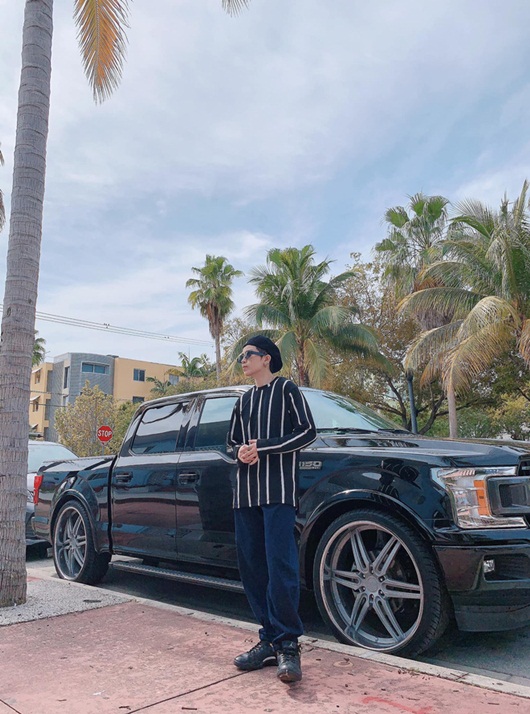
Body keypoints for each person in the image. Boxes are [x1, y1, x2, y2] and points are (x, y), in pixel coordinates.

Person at [228, 335, 316, 684]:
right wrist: (240, 452)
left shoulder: (287, 390)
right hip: (245, 494)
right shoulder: (243, 400)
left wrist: (263, 448)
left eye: (248, 355)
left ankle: (288, 644)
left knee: (281, 565)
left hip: (278, 492)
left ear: (266, 358)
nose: (243, 360)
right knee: (253, 567)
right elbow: (231, 441)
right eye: (241, 356)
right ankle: (268, 639)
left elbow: (308, 432)